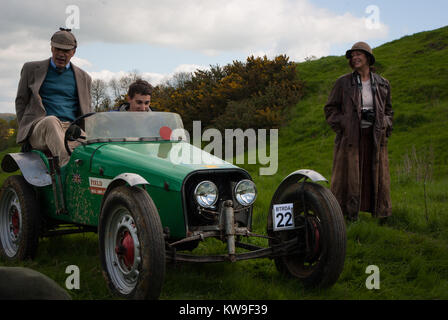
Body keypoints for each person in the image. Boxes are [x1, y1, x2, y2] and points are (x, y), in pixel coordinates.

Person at [324, 41, 393, 221]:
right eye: (352, 55)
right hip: (351, 138)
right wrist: (344, 124)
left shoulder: (383, 83)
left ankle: (380, 214)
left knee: (374, 176)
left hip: (375, 138)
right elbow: (330, 109)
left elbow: (389, 111)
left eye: (358, 54)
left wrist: (385, 123)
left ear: (368, 58)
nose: (355, 58)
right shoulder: (343, 83)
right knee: (348, 177)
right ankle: (345, 216)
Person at [15, 28, 92, 167]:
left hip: (71, 129)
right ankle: (66, 169)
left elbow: (87, 110)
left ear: (74, 52)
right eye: (58, 49)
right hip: (41, 127)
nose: (61, 54)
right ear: (51, 48)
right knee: (51, 121)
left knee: (97, 148)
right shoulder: (30, 69)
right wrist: (25, 132)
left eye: (66, 51)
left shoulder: (84, 77)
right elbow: (21, 102)